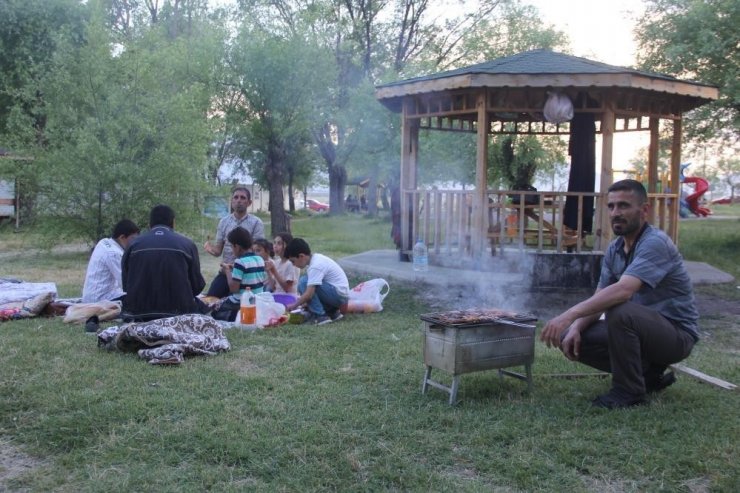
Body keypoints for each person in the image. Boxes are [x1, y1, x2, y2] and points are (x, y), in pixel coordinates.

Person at [540, 179, 699, 409]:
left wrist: (568, 314)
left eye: (623, 206)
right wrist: (574, 327)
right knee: (573, 337)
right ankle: (647, 375)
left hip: (676, 335)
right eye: (611, 206)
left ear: (644, 210)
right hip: (642, 331)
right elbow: (600, 297)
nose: (616, 213)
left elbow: (623, 291)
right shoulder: (615, 249)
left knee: (620, 310)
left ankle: (628, 392)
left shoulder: (655, 243)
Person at [121, 205, 209, 321]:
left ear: (150, 224)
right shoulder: (187, 244)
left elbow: (126, 285)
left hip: (139, 313)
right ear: (173, 223)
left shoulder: (133, 245)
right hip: (180, 313)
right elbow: (197, 286)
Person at [203, 186, 265, 298]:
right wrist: (209, 248)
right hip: (225, 273)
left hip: (247, 274)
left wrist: (238, 263)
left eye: (242, 198)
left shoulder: (256, 223)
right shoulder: (223, 222)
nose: (239, 200)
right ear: (231, 201)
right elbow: (218, 251)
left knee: (242, 307)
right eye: (235, 197)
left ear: (249, 202)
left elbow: (258, 251)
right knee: (210, 300)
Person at [284, 238, 349, 325]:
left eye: (293, 261)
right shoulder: (316, 258)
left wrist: (294, 305)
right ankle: (332, 313)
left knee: (304, 282)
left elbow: (309, 295)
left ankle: (320, 316)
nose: (293, 265)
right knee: (308, 282)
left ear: (301, 256)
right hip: (339, 295)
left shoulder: (315, 266)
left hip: (338, 296)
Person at [212, 227, 267, 321]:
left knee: (215, 308)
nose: (232, 250)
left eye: (231, 247)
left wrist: (227, 271)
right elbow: (251, 274)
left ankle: (235, 316)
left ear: (237, 247)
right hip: (257, 300)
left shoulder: (239, 262)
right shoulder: (260, 259)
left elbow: (234, 288)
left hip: (241, 301)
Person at [82, 219, 140, 303]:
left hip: (91, 296)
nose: (134, 242)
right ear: (122, 237)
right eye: (133, 239)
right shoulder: (114, 253)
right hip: (100, 299)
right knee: (139, 298)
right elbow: (126, 283)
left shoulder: (104, 242)